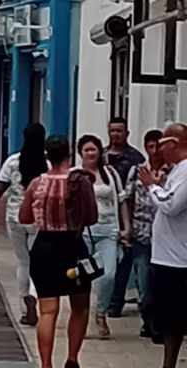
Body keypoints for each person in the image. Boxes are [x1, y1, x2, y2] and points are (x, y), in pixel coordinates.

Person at [19, 135, 98, 368]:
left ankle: (46, 364)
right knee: (80, 306)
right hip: (73, 246)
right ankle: (72, 358)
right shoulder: (79, 182)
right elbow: (91, 217)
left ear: (47, 156)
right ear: (69, 154)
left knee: (47, 310)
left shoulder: (36, 183)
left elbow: (24, 217)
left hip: (44, 247)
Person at [0, 124, 47, 326]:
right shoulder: (48, 163)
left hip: (15, 217)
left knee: (23, 262)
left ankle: (24, 307)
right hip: (38, 219)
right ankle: (34, 295)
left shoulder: (13, 161)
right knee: (38, 263)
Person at [140, 123, 187, 368]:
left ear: (174, 144)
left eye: (162, 144)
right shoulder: (176, 171)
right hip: (164, 256)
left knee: (176, 316)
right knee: (167, 318)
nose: (159, 150)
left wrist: (151, 185)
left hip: (179, 259)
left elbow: (171, 205)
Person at [77, 134, 130, 339]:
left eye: (94, 149)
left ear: (100, 151)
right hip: (83, 233)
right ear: (80, 153)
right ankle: (80, 319)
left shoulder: (110, 173)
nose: (91, 153)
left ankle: (101, 312)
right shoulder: (75, 175)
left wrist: (126, 227)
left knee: (108, 275)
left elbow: (121, 200)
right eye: (87, 150)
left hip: (108, 231)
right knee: (83, 278)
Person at [105, 116, 145, 319]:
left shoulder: (135, 159)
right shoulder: (101, 156)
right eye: (112, 130)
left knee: (124, 263)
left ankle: (115, 303)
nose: (115, 134)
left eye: (119, 131)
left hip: (127, 217)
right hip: (104, 217)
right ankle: (104, 300)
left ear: (127, 133)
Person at [125, 129, 163, 338]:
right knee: (144, 279)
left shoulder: (173, 172)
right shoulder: (137, 170)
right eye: (151, 146)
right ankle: (148, 320)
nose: (155, 151)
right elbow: (128, 198)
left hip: (165, 237)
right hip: (141, 233)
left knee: (161, 282)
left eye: (158, 146)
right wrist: (127, 226)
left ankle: (158, 321)